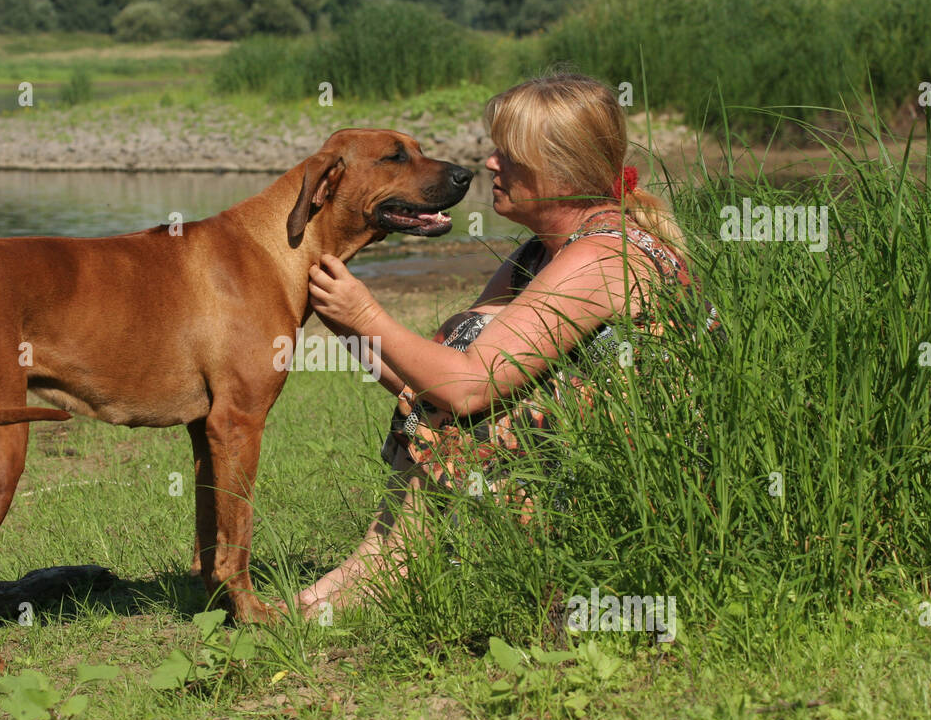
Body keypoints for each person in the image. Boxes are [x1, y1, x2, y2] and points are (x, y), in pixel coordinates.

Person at [295, 73, 722, 616]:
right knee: (462, 341)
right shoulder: (537, 254)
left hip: (647, 476)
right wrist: (346, 326)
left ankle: (390, 563)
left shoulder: (601, 258)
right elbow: (426, 384)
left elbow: (468, 388)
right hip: (584, 451)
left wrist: (365, 313)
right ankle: (382, 558)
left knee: (471, 352)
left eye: (510, 155)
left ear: (566, 170)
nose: (491, 163)